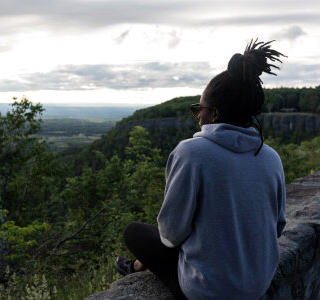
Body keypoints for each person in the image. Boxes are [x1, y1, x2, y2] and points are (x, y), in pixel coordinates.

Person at [115, 39, 287, 300]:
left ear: (214, 114)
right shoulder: (271, 157)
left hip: (210, 291)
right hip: (259, 282)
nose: (198, 117)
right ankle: (137, 266)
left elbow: (172, 234)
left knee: (135, 232)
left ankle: (137, 266)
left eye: (199, 110)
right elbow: (277, 227)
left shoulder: (191, 153)